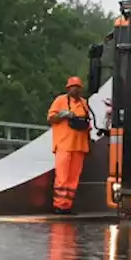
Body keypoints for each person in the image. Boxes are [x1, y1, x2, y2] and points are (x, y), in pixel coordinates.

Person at [48, 76, 91, 214]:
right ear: (68, 88)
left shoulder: (84, 103)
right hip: (64, 145)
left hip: (80, 146)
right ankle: (59, 206)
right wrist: (63, 115)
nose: (75, 89)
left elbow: (88, 124)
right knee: (62, 177)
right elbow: (50, 118)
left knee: (73, 179)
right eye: (73, 87)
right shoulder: (60, 101)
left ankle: (67, 206)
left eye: (78, 87)